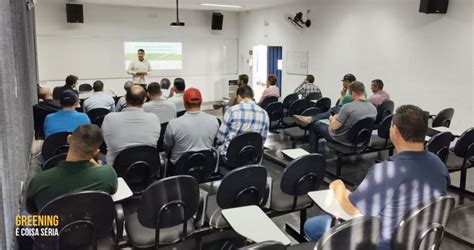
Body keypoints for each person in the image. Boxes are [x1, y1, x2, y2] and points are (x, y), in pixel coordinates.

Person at [303, 105, 450, 250]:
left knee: (312, 226)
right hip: (420, 239)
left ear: (395, 132)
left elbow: (351, 208)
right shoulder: (438, 164)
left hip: (381, 243)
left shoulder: (387, 171)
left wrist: (338, 187)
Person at [26, 124, 118, 213]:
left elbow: (32, 209)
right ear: (96, 152)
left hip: (53, 227)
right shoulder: (108, 174)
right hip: (92, 226)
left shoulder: (38, 180)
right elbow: (113, 191)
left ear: (69, 139)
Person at [304, 81, 377, 153]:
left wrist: (332, 118)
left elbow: (334, 127)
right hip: (360, 141)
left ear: (353, 93)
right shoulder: (373, 108)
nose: (349, 95)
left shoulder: (348, 107)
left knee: (315, 125)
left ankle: (313, 154)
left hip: (343, 139)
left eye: (349, 93)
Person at [163, 88, 219, 173]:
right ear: (201, 101)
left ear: (184, 103)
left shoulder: (173, 124)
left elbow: (166, 146)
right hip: (205, 167)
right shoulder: (214, 120)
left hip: (180, 170)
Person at [102, 85, 160, 166]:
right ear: (145, 100)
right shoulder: (154, 118)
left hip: (116, 172)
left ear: (125, 98)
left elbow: (105, 141)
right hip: (148, 170)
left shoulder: (109, 118)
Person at [217, 85, 269, 158]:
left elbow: (221, 138)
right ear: (252, 97)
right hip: (252, 157)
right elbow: (262, 140)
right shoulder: (264, 113)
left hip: (231, 157)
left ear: (238, 97)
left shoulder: (232, 111)